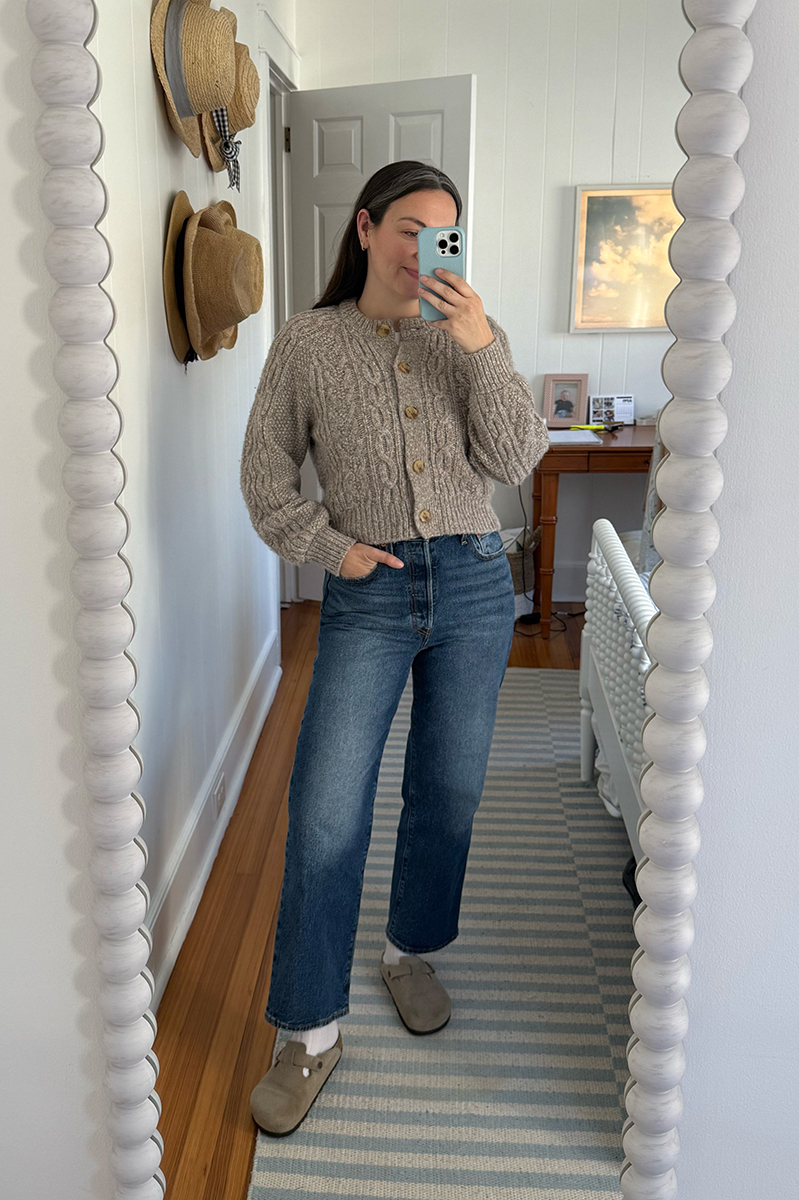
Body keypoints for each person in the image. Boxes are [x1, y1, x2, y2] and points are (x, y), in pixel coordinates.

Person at [239, 159, 550, 1137]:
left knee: (447, 791)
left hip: (470, 585)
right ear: (367, 229)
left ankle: (409, 950)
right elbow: (263, 477)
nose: (426, 251)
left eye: (445, 234)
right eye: (410, 229)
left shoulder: (469, 338)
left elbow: (517, 459)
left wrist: (483, 346)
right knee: (327, 806)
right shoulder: (308, 342)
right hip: (366, 596)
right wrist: (331, 550)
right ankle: (309, 1032)